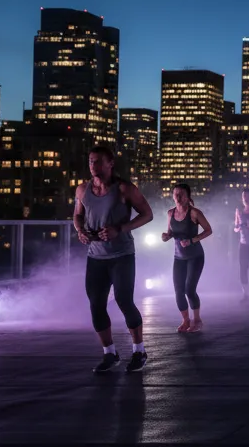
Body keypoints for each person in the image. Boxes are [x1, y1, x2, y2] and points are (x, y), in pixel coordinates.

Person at [73, 144, 154, 374]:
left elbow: (148, 214)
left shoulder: (124, 188)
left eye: (98, 161)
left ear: (110, 164)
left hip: (122, 255)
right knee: (96, 305)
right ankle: (110, 354)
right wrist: (80, 230)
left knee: (124, 301)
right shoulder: (82, 189)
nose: (93, 165)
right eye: (90, 161)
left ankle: (139, 351)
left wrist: (120, 229)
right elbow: (77, 215)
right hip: (95, 257)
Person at [162, 183, 213, 332]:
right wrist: (166, 236)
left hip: (195, 256)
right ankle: (185, 320)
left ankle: (197, 320)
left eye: (181, 194)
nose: (178, 197)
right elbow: (170, 232)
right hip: (178, 257)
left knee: (189, 290)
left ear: (187, 196)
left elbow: (208, 230)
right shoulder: (170, 213)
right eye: (175, 194)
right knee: (178, 291)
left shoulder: (194, 213)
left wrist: (192, 240)